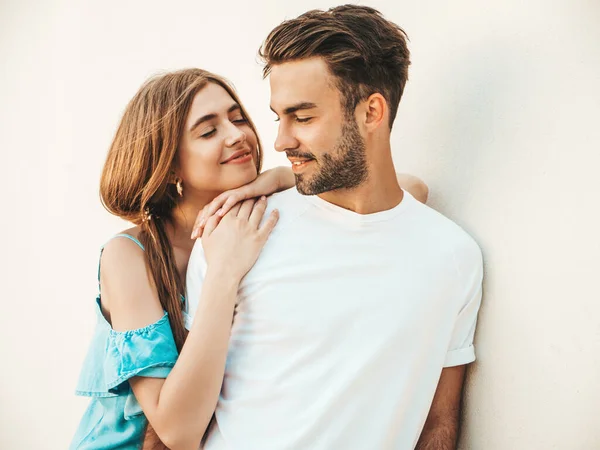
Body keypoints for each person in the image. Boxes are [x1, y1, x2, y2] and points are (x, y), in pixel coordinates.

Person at [70, 68, 429, 449]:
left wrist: (282, 179)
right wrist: (223, 272)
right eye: (209, 131)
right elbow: (178, 432)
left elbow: (412, 191)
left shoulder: (263, 215)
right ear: (169, 163)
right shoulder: (129, 255)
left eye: (237, 117)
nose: (236, 134)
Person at [185, 5, 483, 450]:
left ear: (372, 113)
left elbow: (438, 423)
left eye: (302, 118)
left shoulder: (454, 257)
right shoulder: (237, 235)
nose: (281, 141)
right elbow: (179, 422)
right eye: (278, 117)